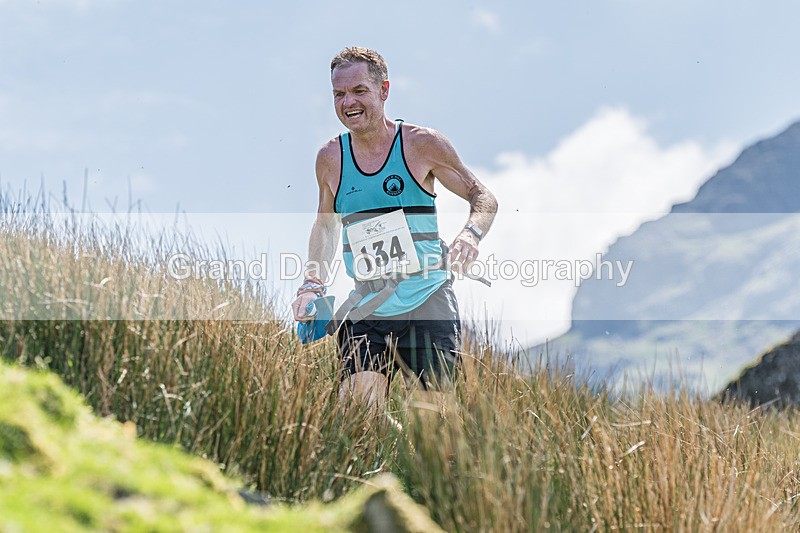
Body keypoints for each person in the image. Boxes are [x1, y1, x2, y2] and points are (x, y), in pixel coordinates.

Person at [292, 47, 497, 407]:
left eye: (359, 91)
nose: (348, 102)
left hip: (427, 301)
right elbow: (326, 227)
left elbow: (483, 197)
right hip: (369, 306)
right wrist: (312, 283)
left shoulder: (421, 144)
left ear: (384, 90)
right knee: (357, 414)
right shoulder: (330, 158)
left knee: (432, 426)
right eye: (339, 94)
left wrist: (471, 234)